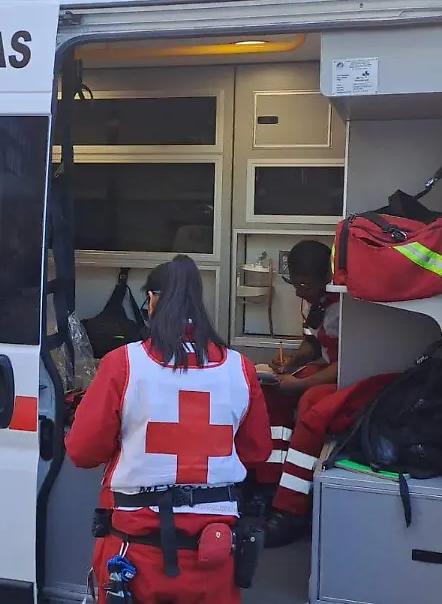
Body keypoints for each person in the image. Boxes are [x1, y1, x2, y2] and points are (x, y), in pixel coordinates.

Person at [66, 255, 272, 604]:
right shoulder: (241, 367)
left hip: (137, 552)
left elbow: (82, 451)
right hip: (214, 552)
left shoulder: (123, 363)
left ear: (151, 300)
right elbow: (256, 451)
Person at [248, 239, 345, 547]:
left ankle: (291, 510)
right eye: (295, 284)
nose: (299, 293)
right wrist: (290, 363)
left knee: (310, 406)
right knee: (269, 394)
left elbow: (345, 363)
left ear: (326, 279)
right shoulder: (317, 304)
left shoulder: (347, 306)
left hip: (347, 376)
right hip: (326, 369)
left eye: (305, 285)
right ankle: (269, 484)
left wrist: (299, 383)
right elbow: (312, 345)